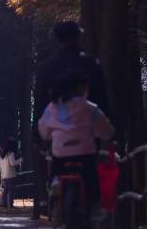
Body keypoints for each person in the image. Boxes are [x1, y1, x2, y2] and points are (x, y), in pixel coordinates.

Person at [32, 21, 109, 218]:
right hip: (88, 133)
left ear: (57, 39)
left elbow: (40, 102)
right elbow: (103, 99)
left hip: (58, 136)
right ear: (79, 36)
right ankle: (95, 208)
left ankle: (51, 197)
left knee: (55, 167)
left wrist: (38, 136)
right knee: (90, 172)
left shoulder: (46, 68)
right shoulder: (91, 64)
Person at [38, 71, 114, 229]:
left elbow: (43, 131)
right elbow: (107, 130)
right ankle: (94, 211)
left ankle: (54, 194)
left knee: (55, 176)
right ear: (80, 88)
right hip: (85, 154)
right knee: (92, 183)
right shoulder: (90, 108)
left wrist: (51, 134)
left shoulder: (53, 108)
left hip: (61, 156)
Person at [0, 137, 23, 208]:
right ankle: (10, 204)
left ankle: (4, 203)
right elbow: (12, 163)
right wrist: (20, 160)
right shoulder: (11, 153)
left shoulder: (2, 154)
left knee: (6, 190)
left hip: (4, 175)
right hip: (10, 174)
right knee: (11, 191)